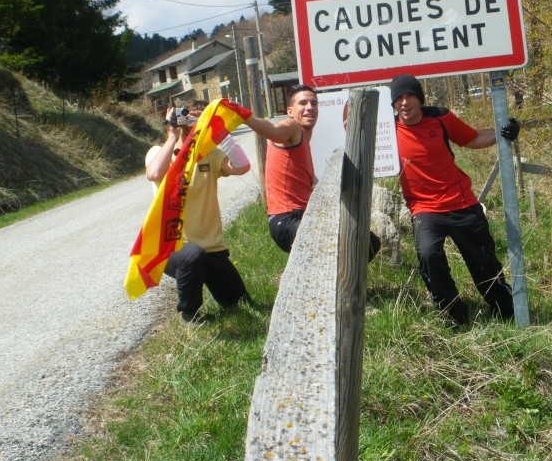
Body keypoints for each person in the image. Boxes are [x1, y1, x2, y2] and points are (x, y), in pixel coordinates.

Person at [389, 74, 521, 326]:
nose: (405, 103)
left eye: (410, 96)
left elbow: (472, 139)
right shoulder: (388, 130)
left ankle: (508, 311)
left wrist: (504, 132)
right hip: (424, 208)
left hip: (461, 202)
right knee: (428, 255)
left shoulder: (440, 118)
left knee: (484, 263)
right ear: (394, 104)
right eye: (399, 98)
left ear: (420, 99)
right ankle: (454, 315)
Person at [145, 99, 252, 324]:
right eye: (182, 115)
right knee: (192, 256)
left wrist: (220, 131)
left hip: (212, 249)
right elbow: (154, 173)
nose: (187, 121)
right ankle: (189, 314)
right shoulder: (159, 151)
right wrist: (172, 135)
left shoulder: (209, 154)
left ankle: (209, 286)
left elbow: (242, 167)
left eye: (192, 116)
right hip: (171, 248)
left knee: (240, 302)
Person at [244, 84, 381, 258]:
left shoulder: (302, 139)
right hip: (287, 221)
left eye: (314, 103)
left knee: (368, 242)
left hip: (300, 217)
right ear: (290, 111)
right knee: (357, 242)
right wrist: (244, 116)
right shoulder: (292, 127)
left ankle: (335, 284)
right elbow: (274, 131)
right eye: (303, 103)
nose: (310, 107)